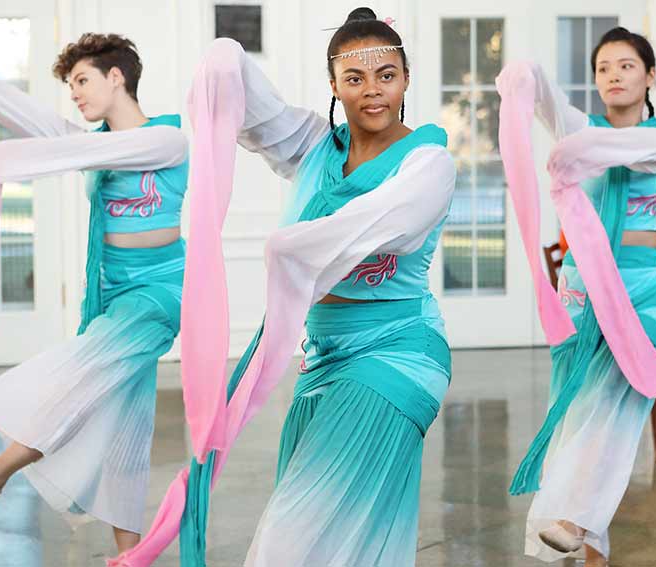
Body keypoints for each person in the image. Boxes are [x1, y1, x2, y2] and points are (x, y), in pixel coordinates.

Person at [107, 7, 456, 567]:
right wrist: (223, 56)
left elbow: (368, 227)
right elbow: (248, 99)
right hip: (322, 359)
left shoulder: (428, 164)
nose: (373, 92)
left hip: (397, 355)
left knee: (291, 540)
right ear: (335, 86)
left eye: (386, 76)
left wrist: (286, 249)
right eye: (355, 78)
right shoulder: (316, 146)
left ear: (406, 79)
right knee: (350, 538)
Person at [0, 33, 189, 552]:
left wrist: (7, 158)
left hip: (158, 294)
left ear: (117, 77)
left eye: (82, 80)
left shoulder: (167, 140)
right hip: (111, 294)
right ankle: (130, 557)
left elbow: (97, 149)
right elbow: (6, 105)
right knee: (124, 427)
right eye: (70, 87)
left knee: (79, 367)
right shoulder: (91, 144)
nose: (76, 94)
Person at [497, 27, 656, 566]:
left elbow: (606, 150)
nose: (613, 76)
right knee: (580, 412)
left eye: (626, 66)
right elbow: (546, 99)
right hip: (582, 287)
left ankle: (575, 518)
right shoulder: (580, 125)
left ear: (650, 76)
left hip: (642, 286)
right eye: (603, 68)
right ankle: (590, 550)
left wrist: (572, 149)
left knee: (617, 405)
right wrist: (525, 77)